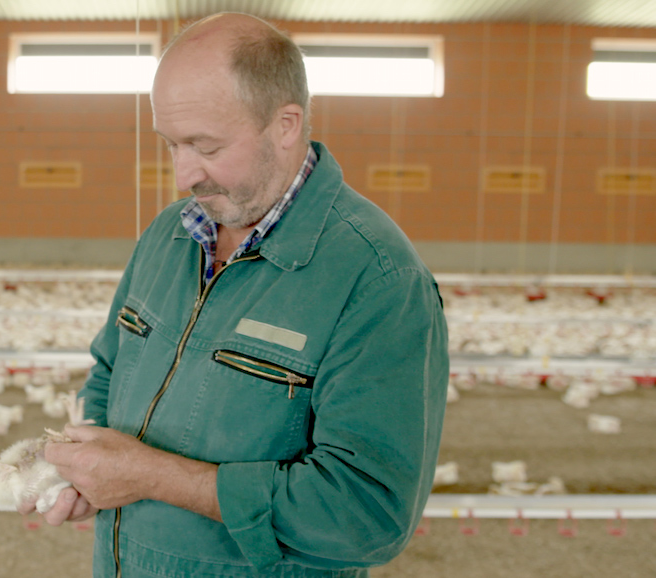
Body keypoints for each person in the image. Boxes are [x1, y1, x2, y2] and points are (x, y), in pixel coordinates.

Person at [37, 12, 449, 578]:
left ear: (284, 124)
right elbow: (112, 367)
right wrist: (87, 465)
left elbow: (367, 515)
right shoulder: (170, 233)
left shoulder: (376, 279)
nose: (184, 175)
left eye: (205, 146)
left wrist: (151, 476)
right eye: (171, 145)